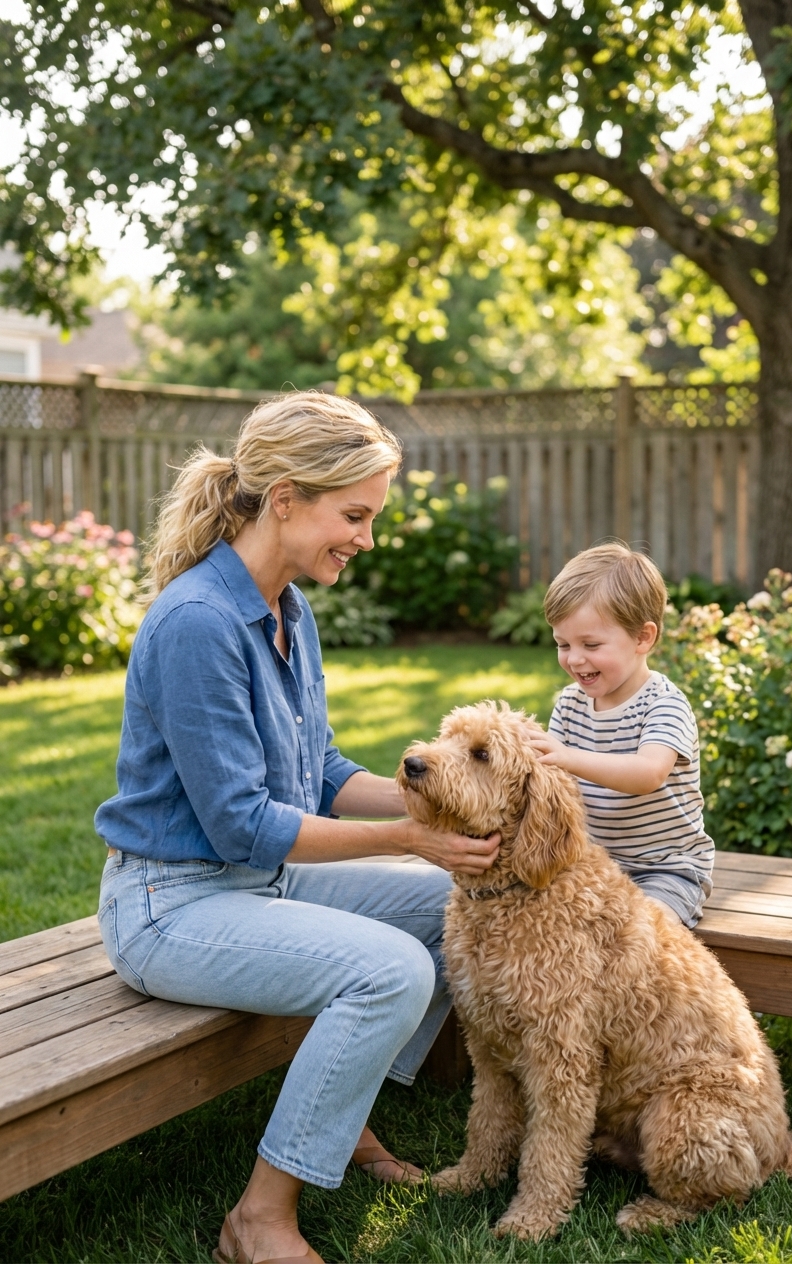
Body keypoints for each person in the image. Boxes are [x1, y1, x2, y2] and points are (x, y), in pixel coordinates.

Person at [94, 391, 500, 1264]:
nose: (364, 537)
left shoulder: (287, 609)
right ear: (285, 499)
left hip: (255, 884)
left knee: (450, 902)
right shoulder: (200, 622)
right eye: (353, 515)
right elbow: (243, 825)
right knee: (389, 969)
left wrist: (449, 802)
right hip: (171, 905)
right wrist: (408, 838)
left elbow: (319, 773)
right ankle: (258, 1219)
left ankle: (338, 1113)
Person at [527, 542, 714, 928]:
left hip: (664, 871)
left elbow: (647, 774)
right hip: (589, 863)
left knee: (640, 934)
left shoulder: (664, 705)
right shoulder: (570, 703)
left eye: (591, 645)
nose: (575, 659)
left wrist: (567, 756)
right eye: (563, 645)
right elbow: (550, 780)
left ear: (643, 638)